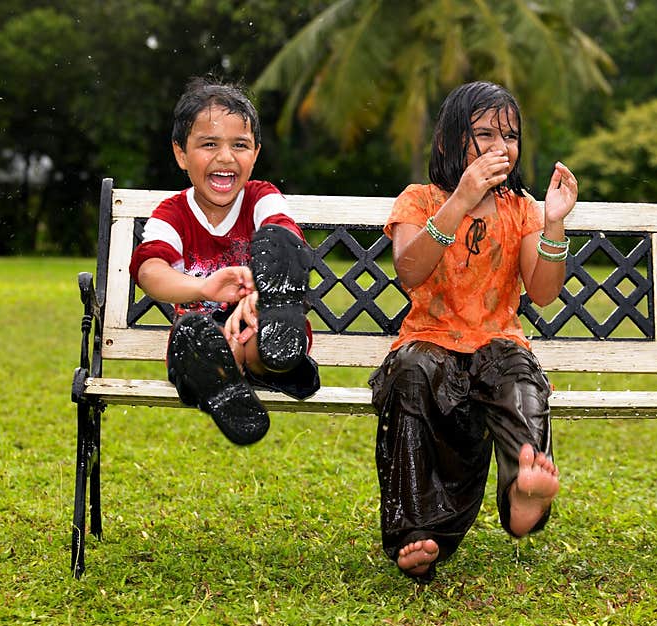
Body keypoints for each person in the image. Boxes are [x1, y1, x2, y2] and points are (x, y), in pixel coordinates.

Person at [369, 81, 579, 583]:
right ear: (448, 142)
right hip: (429, 341)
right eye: (482, 134)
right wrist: (462, 199)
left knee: (521, 384)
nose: (498, 147)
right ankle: (415, 532)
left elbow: (543, 292)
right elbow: (409, 271)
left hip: (497, 342)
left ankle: (522, 493)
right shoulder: (419, 199)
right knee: (412, 376)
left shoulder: (521, 208)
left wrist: (552, 224)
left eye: (509, 135)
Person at [129, 76, 319, 446]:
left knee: (267, 325)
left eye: (240, 145)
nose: (226, 157)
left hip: (261, 321)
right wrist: (203, 286)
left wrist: (262, 292)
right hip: (204, 338)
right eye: (209, 144)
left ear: (256, 154)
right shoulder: (172, 214)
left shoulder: (262, 197)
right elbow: (150, 270)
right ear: (181, 154)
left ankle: (273, 356)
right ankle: (228, 382)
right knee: (196, 339)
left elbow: (285, 240)